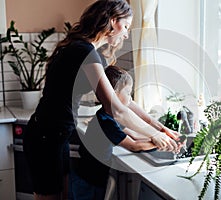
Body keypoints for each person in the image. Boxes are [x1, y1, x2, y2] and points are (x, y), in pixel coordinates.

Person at [23, 0, 181, 199]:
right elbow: (115, 108)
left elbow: (124, 100)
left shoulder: (94, 54)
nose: (126, 33)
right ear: (113, 21)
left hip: (57, 136)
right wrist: (153, 134)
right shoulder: (83, 51)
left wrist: (160, 128)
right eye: (125, 26)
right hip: (45, 137)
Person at [69, 65, 159, 200]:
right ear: (114, 95)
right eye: (128, 92)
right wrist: (160, 144)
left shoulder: (109, 115)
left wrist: (158, 135)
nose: (130, 98)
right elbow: (134, 146)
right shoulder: (106, 121)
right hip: (87, 180)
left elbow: (134, 135)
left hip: (90, 175)